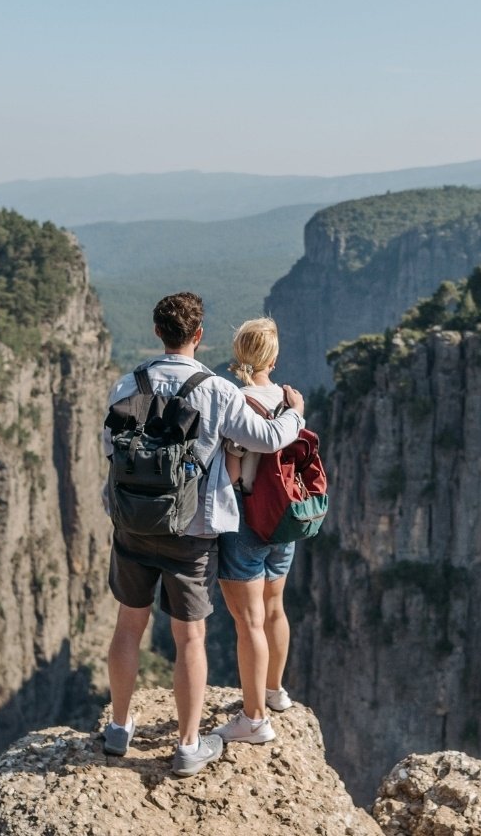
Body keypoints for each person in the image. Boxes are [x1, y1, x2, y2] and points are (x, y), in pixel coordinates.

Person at [100, 293, 306, 775]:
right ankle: (189, 744)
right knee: (190, 637)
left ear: (157, 332)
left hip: (131, 525)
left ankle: (118, 726)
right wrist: (294, 411)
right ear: (198, 336)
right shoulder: (218, 390)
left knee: (129, 625)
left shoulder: (125, 384)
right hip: (192, 531)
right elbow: (270, 439)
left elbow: (111, 449)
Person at [211, 317, 300, 748]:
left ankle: (253, 719)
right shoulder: (290, 400)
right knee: (275, 608)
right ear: (274, 358)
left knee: (249, 624)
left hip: (246, 518)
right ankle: (274, 691)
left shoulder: (237, 400)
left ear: (238, 356)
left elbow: (231, 469)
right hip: (284, 518)